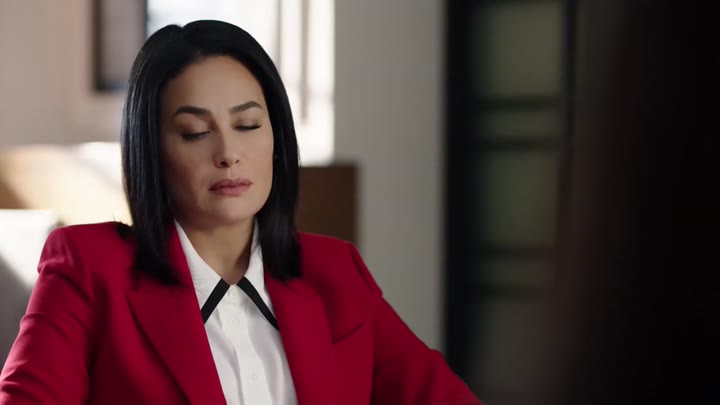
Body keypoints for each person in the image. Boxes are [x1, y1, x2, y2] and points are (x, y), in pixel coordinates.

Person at [0, 20, 480, 405]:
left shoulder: (336, 272)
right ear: (152, 152)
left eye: (248, 124)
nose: (228, 153)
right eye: (194, 132)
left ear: (276, 139)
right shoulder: (87, 269)